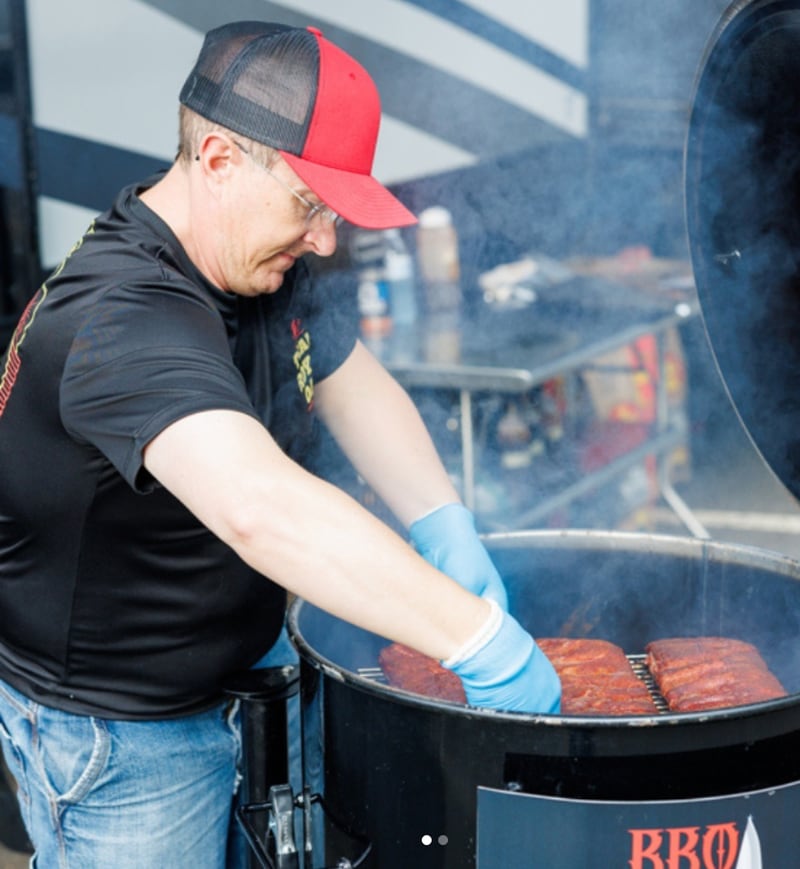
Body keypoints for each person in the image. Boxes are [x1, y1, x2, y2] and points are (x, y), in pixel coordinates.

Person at [0, 20, 560, 868]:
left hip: (259, 674)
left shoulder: (263, 248)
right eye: (311, 206)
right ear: (220, 159)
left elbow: (349, 376)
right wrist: (476, 638)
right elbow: (261, 507)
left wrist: (443, 519)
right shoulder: (120, 320)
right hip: (124, 739)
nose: (326, 240)